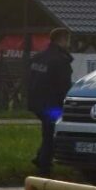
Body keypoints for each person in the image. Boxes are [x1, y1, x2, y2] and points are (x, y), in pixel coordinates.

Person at [26, 28, 74, 175]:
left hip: (36, 102)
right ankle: (44, 169)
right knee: (52, 135)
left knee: (49, 131)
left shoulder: (39, 57)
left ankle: (40, 157)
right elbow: (64, 86)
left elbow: (29, 79)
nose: (68, 43)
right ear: (62, 39)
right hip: (52, 105)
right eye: (68, 40)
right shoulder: (60, 60)